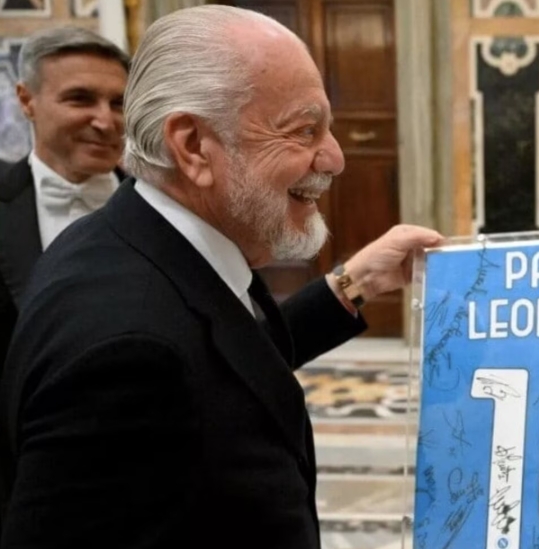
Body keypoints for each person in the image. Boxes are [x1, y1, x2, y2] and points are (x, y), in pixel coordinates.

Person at [0, 6, 441, 548]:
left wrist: (354, 283)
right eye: (305, 130)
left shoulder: (146, 239)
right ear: (192, 146)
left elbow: (224, 360)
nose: (334, 158)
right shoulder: (126, 352)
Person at [0, 26, 128, 377]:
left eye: (118, 103)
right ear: (27, 101)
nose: (106, 122)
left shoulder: (167, 206)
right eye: (80, 99)